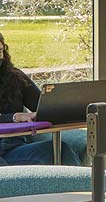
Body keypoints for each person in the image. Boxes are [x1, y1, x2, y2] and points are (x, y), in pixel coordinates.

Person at [0, 31, 87, 166]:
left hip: (12, 148)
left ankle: (86, 187)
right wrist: (15, 117)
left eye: (0, 51)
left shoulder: (14, 77)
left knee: (60, 151)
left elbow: (42, 106)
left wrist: (70, 105)